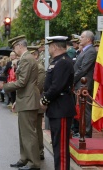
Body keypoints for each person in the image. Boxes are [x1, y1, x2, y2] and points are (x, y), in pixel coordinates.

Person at [0, 35, 41, 170]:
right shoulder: (26, 58)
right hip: (25, 99)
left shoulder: (26, 59)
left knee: (28, 134)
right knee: (23, 132)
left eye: (14, 47)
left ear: (20, 46)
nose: (14, 50)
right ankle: (24, 158)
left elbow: (22, 82)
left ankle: (33, 163)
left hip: (28, 100)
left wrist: (4, 86)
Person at [40, 36, 76, 170]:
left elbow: (56, 86)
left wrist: (44, 100)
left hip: (61, 107)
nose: (49, 48)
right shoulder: (57, 61)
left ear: (55, 46)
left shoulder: (63, 62)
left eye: (50, 46)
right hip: (57, 107)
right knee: (57, 145)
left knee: (60, 147)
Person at [73, 30, 97, 138]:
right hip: (80, 83)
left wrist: (72, 79)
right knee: (81, 109)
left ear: (88, 39)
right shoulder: (84, 51)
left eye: (82, 37)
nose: (80, 39)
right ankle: (81, 130)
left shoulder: (91, 51)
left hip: (85, 84)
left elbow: (83, 69)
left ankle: (86, 132)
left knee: (86, 109)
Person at [27, 46, 45, 160]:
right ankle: (34, 151)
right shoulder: (31, 67)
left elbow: (39, 86)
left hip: (36, 100)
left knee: (37, 128)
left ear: (35, 55)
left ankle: (40, 151)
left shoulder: (39, 68)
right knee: (31, 128)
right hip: (29, 101)